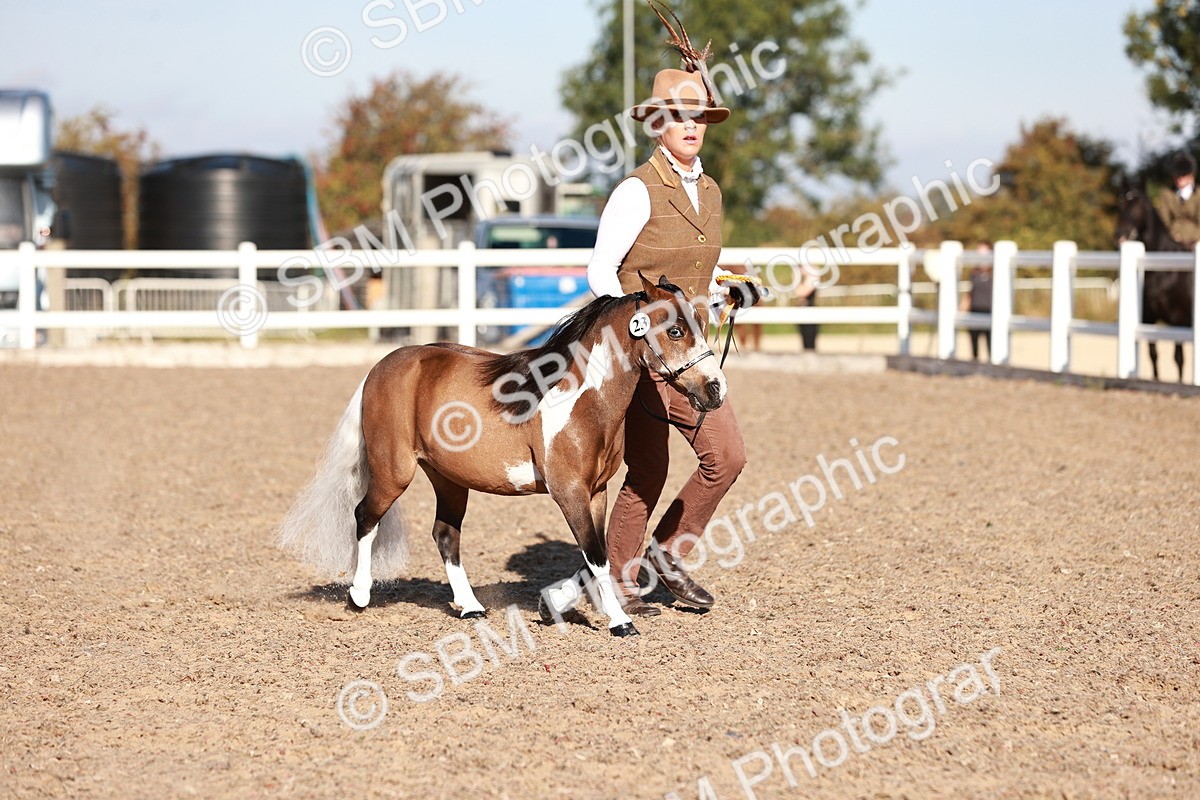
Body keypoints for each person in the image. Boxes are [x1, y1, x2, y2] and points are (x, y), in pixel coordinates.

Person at [585, 60, 752, 616]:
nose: (690, 125)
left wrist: (730, 285)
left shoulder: (711, 191)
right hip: (642, 358)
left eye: (698, 116)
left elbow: (702, 264)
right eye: (678, 116)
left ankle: (664, 556)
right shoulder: (636, 191)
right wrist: (631, 323)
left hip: (693, 356)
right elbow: (600, 272)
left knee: (726, 457)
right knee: (648, 471)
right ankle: (618, 581)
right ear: (657, 122)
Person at [1157, 152, 1200, 247]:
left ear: (1191, 175)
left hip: (1196, 241)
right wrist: (1173, 236)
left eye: (1182, 175)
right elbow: (1163, 220)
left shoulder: (1198, 195)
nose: (1179, 178)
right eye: (1177, 175)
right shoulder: (1167, 194)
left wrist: (1194, 238)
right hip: (1173, 241)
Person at [959, 243, 993, 362]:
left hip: (990, 311)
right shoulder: (974, 273)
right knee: (974, 343)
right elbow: (971, 291)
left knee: (991, 343)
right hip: (975, 309)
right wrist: (964, 305)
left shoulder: (995, 272)